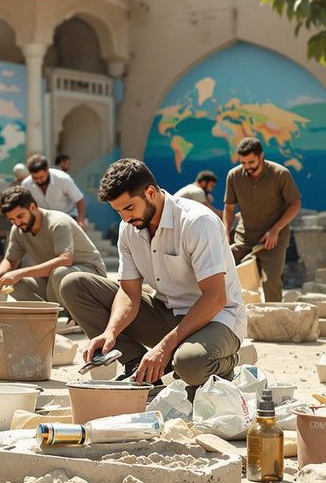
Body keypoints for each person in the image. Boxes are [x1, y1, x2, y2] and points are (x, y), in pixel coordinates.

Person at [62, 159, 246, 389]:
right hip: (167, 314)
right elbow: (129, 293)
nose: (125, 218)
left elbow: (215, 297)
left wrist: (164, 347)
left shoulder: (197, 222)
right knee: (74, 284)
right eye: (118, 211)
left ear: (150, 192)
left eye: (129, 208)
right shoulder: (129, 228)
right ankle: (138, 365)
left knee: (190, 365)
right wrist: (110, 332)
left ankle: (225, 361)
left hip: (216, 318)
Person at [0, 186, 106, 314]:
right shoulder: (18, 230)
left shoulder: (58, 222)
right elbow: (11, 261)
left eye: (20, 216)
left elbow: (65, 260)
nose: (17, 223)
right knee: (12, 283)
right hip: (54, 281)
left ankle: (68, 318)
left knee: (59, 273)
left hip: (90, 276)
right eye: (12, 219)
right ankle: (48, 315)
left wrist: (19, 273)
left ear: (33, 207)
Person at [223, 138, 301, 302]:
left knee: (271, 281)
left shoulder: (281, 174)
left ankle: (274, 322)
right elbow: (229, 209)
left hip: (273, 238)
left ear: (261, 156)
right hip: (244, 237)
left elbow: (295, 204)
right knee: (222, 270)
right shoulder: (233, 176)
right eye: (243, 162)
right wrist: (225, 234)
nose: (247, 167)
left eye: (251, 162)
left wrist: (275, 230)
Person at [22, 154, 86, 221]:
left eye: (41, 177)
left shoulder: (64, 179)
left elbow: (79, 199)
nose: (39, 181)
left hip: (68, 216)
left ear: (47, 170)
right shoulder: (26, 184)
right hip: (44, 220)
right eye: (35, 178)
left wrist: (81, 220)